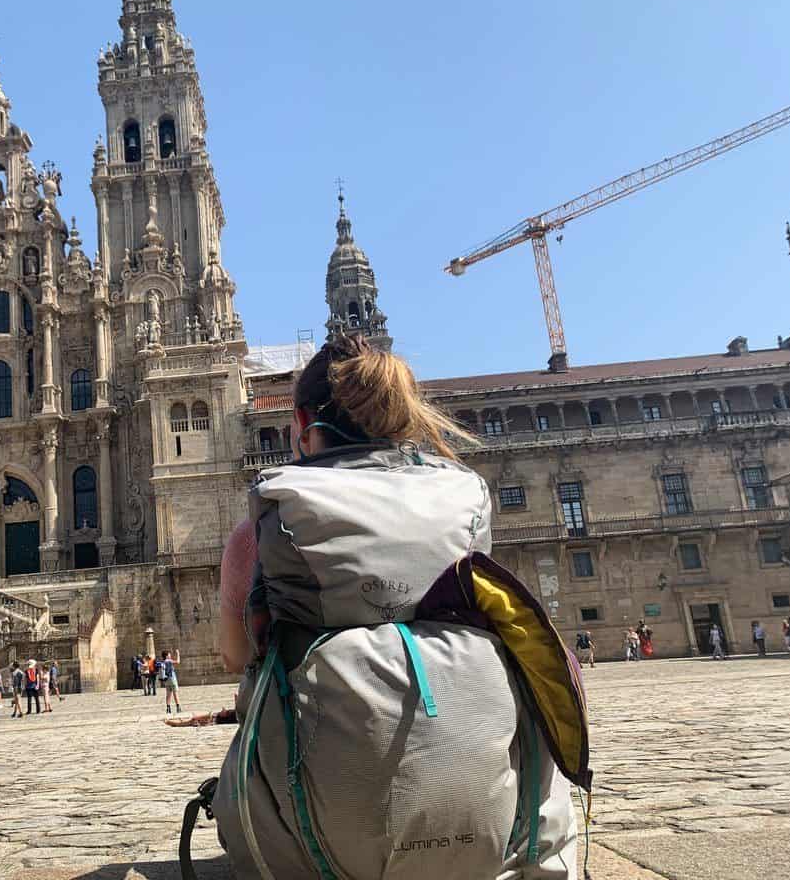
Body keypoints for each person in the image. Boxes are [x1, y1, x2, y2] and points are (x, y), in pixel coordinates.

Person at [210, 335, 580, 877]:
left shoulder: (262, 525)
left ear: (301, 423)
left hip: (323, 844)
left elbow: (234, 655)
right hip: (483, 825)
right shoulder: (464, 498)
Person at [161, 648, 182, 713]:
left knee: (168, 694)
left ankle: (168, 708)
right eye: (169, 654)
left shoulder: (163, 662)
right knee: (175, 693)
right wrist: (178, 654)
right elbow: (178, 662)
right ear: (167, 655)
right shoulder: (169, 661)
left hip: (166, 680)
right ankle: (178, 707)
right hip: (172, 678)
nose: (170, 655)